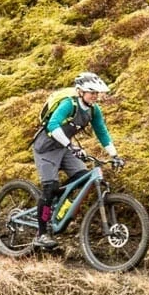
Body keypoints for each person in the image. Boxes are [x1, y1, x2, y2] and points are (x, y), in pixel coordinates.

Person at [32, 72, 122, 248]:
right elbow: (52, 125)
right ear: (81, 91)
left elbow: (102, 132)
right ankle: (41, 234)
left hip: (65, 148)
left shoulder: (94, 110)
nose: (95, 96)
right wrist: (71, 146)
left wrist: (114, 155)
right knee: (49, 187)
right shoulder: (68, 104)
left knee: (82, 178)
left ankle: (56, 204)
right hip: (46, 147)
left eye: (97, 93)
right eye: (92, 92)